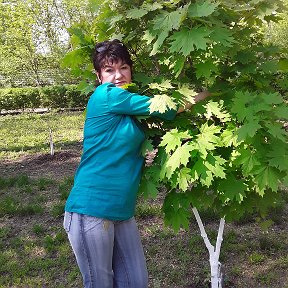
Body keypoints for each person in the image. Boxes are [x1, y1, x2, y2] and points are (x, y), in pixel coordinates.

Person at [63, 39, 210, 288]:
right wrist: (208, 93)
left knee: (136, 281)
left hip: (122, 210)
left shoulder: (128, 106)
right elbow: (163, 107)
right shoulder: (107, 95)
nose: (118, 75)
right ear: (99, 76)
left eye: (124, 68)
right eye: (109, 70)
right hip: (91, 208)